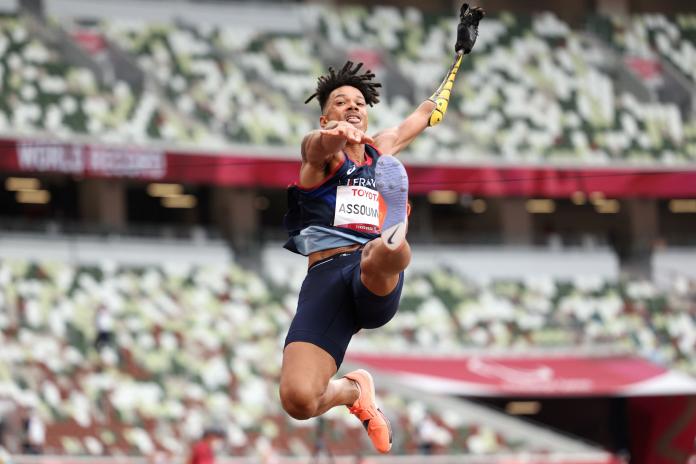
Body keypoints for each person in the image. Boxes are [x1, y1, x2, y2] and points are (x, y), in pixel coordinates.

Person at [278, 3, 485, 455]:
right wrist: (335, 136)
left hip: (370, 274)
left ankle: (395, 225)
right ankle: (356, 390)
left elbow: (426, 115)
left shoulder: (381, 150)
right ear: (325, 116)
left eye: (358, 104)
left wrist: (458, 59)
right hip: (326, 282)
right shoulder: (319, 156)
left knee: (383, 253)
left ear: (367, 115)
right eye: (340, 103)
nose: (351, 108)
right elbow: (312, 146)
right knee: (298, 400)